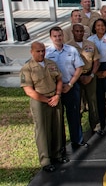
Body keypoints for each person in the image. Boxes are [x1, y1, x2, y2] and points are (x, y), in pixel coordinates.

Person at [20, 42, 67, 172]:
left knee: (57, 126)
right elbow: (29, 91)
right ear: (32, 52)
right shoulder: (27, 68)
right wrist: (46, 100)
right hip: (40, 101)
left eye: (43, 51)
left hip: (54, 98)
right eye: (38, 51)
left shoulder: (51, 64)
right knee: (42, 130)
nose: (41, 53)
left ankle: (57, 154)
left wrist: (57, 95)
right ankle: (45, 160)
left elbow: (59, 79)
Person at [45, 26, 87, 148]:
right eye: (55, 36)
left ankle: (77, 140)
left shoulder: (72, 50)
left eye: (60, 35)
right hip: (54, 90)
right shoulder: (47, 53)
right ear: (51, 38)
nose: (58, 38)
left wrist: (70, 84)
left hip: (71, 86)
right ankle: (60, 145)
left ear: (63, 36)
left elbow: (79, 68)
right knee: (58, 118)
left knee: (74, 114)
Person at [67, 24, 101, 135]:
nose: (79, 33)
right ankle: (78, 129)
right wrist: (77, 77)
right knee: (78, 103)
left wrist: (91, 75)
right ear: (73, 32)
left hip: (89, 75)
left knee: (92, 101)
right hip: (76, 78)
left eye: (81, 31)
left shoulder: (91, 45)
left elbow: (96, 61)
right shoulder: (68, 47)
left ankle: (95, 126)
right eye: (77, 31)